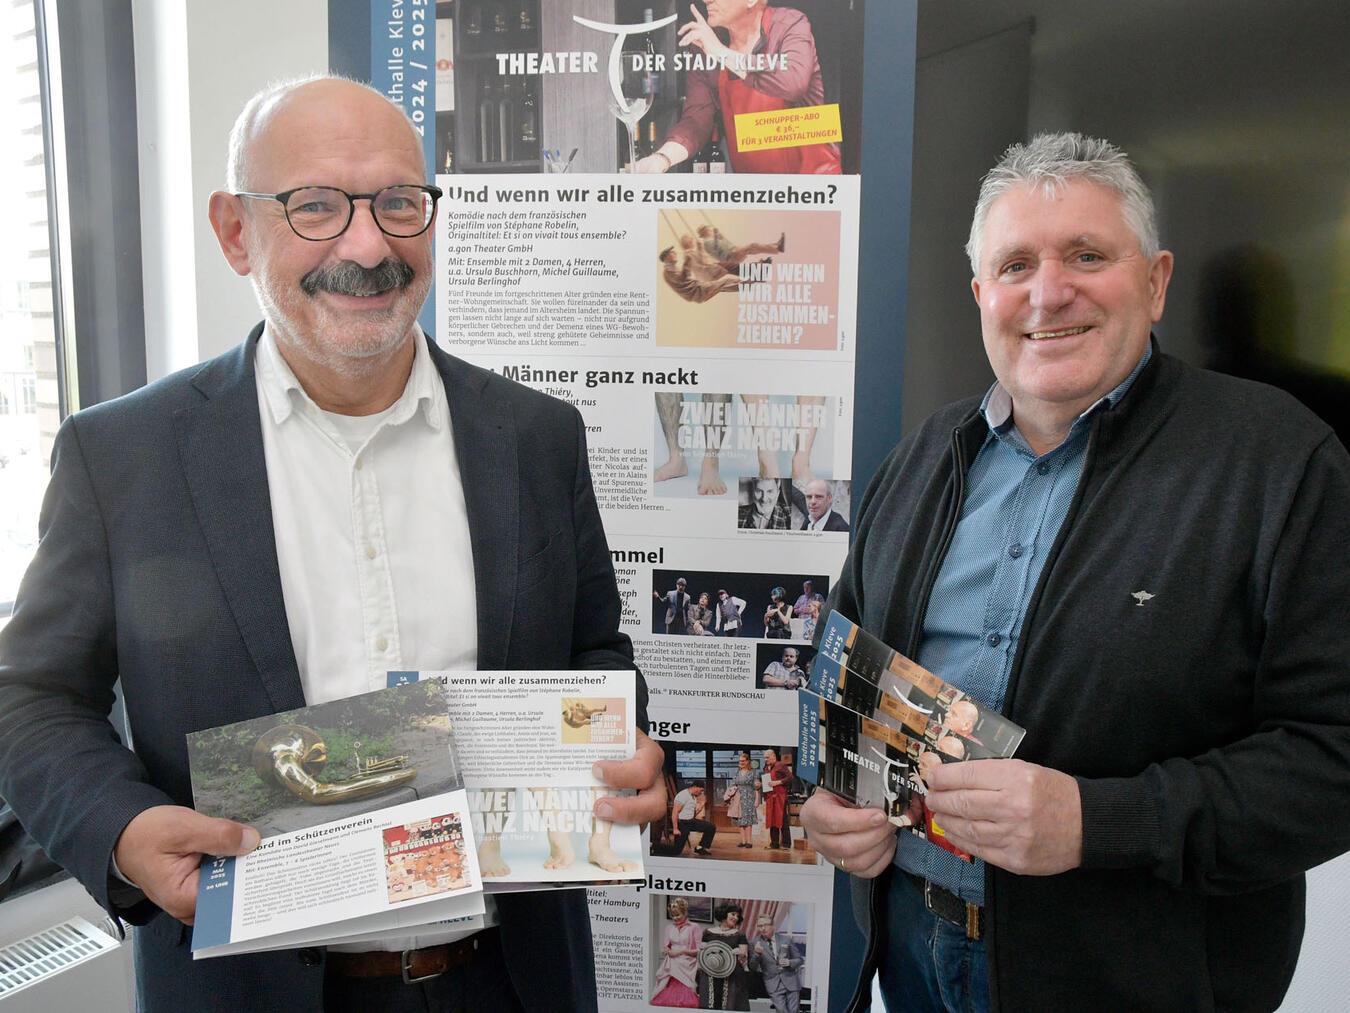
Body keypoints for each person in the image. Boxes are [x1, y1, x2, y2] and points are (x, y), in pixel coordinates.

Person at [0, 76, 667, 1013]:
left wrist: (625, 741)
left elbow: (596, 651)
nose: (369, 245)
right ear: (236, 230)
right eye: (316, 206)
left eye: (399, 202)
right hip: (248, 987)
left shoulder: (536, 437)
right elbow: (31, 699)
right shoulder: (123, 458)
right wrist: (124, 828)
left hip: (509, 979)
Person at [801, 132, 1350, 1011]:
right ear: (982, 294)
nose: (1048, 292)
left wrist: (1097, 824)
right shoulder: (920, 460)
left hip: (1138, 983)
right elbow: (851, 675)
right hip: (913, 954)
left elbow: (1334, 756)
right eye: (1016, 265)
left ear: (1157, 280)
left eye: (1087, 255)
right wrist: (832, 800)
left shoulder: (1279, 464)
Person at [634, 1, 841, 175]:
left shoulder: (790, 24)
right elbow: (697, 120)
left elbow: (794, 82)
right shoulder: (707, 46)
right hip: (755, 193)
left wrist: (721, 52)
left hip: (813, 189)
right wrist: (663, 158)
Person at [696, 903, 751, 1010]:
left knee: (730, 1004)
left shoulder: (740, 934)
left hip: (732, 974)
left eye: (737, 916)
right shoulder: (708, 932)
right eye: (733, 914)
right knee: (710, 1003)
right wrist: (702, 948)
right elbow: (703, 953)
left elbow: (744, 955)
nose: (735, 917)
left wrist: (740, 953)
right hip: (711, 973)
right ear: (724, 913)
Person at [747, 914, 805, 1013]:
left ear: (773, 926)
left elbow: (800, 960)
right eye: (760, 926)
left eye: (766, 925)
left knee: (794, 1011)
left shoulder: (786, 940)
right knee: (781, 1011)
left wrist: (789, 962)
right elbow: (752, 967)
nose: (763, 928)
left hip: (791, 982)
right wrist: (756, 954)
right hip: (773, 984)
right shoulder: (754, 943)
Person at [652, 897, 702, 1007]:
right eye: (672, 915)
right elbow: (666, 947)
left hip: (687, 965)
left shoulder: (694, 927)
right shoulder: (669, 927)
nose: (675, 918)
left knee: (686, 999)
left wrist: (681, 951)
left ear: (685, 912)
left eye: (678, 914)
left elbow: (699, 951)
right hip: (671, 964)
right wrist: (667, 951)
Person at [670, 783, 716, 856]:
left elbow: (693, 814)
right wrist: (675, 828)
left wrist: (702, 804)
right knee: (676, 851)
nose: (701, 793)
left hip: (691, 821)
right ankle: (653, 847)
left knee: (710, 827)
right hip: (683, 824)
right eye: (701, 790)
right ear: (695, 787)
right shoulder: (683, 795)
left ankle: (700, 848)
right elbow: (674, 813)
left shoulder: (693, 797)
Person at [727, 751, 761, 849]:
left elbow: (756, 786)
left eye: (743, 761)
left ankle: (749, 842)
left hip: (749, 797)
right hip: (739, 797)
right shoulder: (737, 772)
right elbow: (733, 784)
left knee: (748, 819)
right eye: (740, 761)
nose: (741, 762)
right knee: (740, 819)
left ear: (747, 761)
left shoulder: (753, 772)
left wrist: (757, 799)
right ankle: (743, 841)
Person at [761, 748, 793, 849]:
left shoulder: (781, 765)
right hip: (771, 796)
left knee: (782, 820)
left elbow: (790, 777)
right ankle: (774, 843)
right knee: (772, 820)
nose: (766, 759)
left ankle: (786, 844)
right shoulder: (766, 768)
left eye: (767, 757)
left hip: (780, 797)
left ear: (773, 756)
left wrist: (778, 782)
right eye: (765, 758)